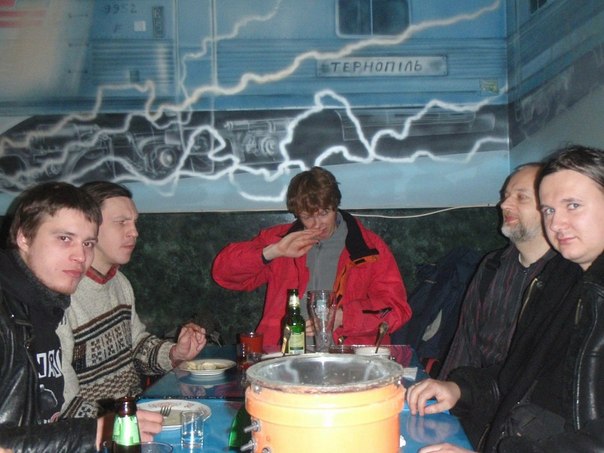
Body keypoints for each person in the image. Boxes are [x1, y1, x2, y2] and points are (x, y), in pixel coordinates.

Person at [407, 145, 604, 453]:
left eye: (573, 205)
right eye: (549, 210)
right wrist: (459, 389)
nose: (556, 223)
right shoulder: (559, 279)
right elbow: (517, 374)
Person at [0, 182, 162, 451]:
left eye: (88, 243)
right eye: (65, 238)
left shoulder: (43, 307)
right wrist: (92, 432)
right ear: (24, 238)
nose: (80, 256)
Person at [212, 166, 411, 347]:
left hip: (348, 356)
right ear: (297, 214)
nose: (317, 225)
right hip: (284, 354)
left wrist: (343, 317)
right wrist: (273, 251)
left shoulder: (369, 248)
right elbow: (223, 274)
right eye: (307, 217)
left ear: (335, 206)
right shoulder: (280, 240)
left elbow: (397, 309)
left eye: (324, 213)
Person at [57, 181, 207, 419]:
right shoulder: (61, 297)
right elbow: (63, 404)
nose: (134, 232)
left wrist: (175, 353)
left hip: (132, 412)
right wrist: (122, 422)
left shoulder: (119, 282)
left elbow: (136, 346)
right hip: (99, 428)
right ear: (89, 227)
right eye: (121, 222)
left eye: (135, 222)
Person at [438, 163, 555, 379]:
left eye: (521, 197)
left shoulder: (568, 273)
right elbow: (465, 342)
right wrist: (447, 389)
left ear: (550, 209)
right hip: (478, 392)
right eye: (506, 196)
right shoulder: (492, 265)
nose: (504, 204)